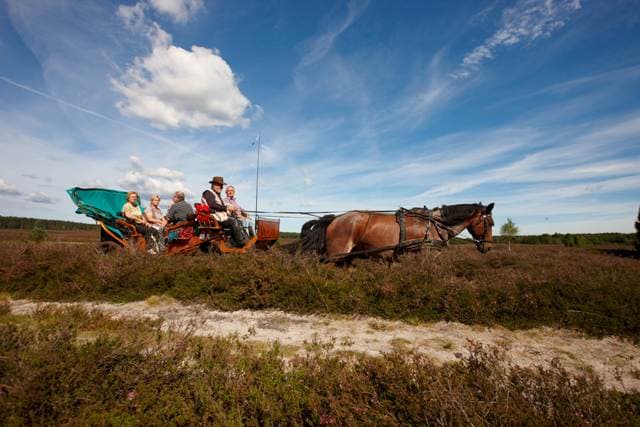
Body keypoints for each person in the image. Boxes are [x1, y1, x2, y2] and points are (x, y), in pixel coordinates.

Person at [201, 176, 248, 247]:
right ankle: (241, 243)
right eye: (217, 184)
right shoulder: (208, 192)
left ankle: (240, 242)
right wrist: (226, 207)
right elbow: (212, 204)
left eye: (221, 185)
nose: (219, 187)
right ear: (213, 184)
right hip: (212, 216)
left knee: (238, 222)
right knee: (233, 221)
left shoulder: (216, 194)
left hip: (217, 216)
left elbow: (219, 207)